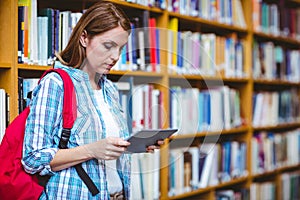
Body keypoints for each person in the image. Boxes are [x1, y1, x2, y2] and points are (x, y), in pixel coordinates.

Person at [22, 1, 162, 199]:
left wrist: (134, 146)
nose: (115, 56)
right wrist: (92, 150)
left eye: (120, 48)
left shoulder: (110, 89)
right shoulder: (56, 84)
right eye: (108, 46)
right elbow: (32, 159)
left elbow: (106, 150)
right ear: (84, 38)